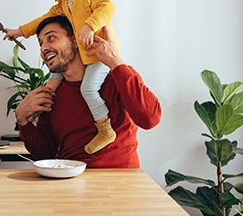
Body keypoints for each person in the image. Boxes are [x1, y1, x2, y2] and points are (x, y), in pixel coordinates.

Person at [5, 0, 120, 154]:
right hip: (83, 57)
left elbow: (108, 7)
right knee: (51, 85)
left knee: (88, 90)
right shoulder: (64, 4)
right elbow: (42, 21)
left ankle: (104, 128)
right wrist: (19, 32)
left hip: (97, 58)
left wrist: (90, 26)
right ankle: (38, 116)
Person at [15, 16, 161, 168]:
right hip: (71, 181)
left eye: (51, 38)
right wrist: (23, 121)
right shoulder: (51, 93)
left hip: (120, 183)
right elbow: (47, 154)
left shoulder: (117, 77)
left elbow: (150, 119)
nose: (43, 48)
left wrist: (115, 61)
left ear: (75, 41)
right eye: (40, 43)